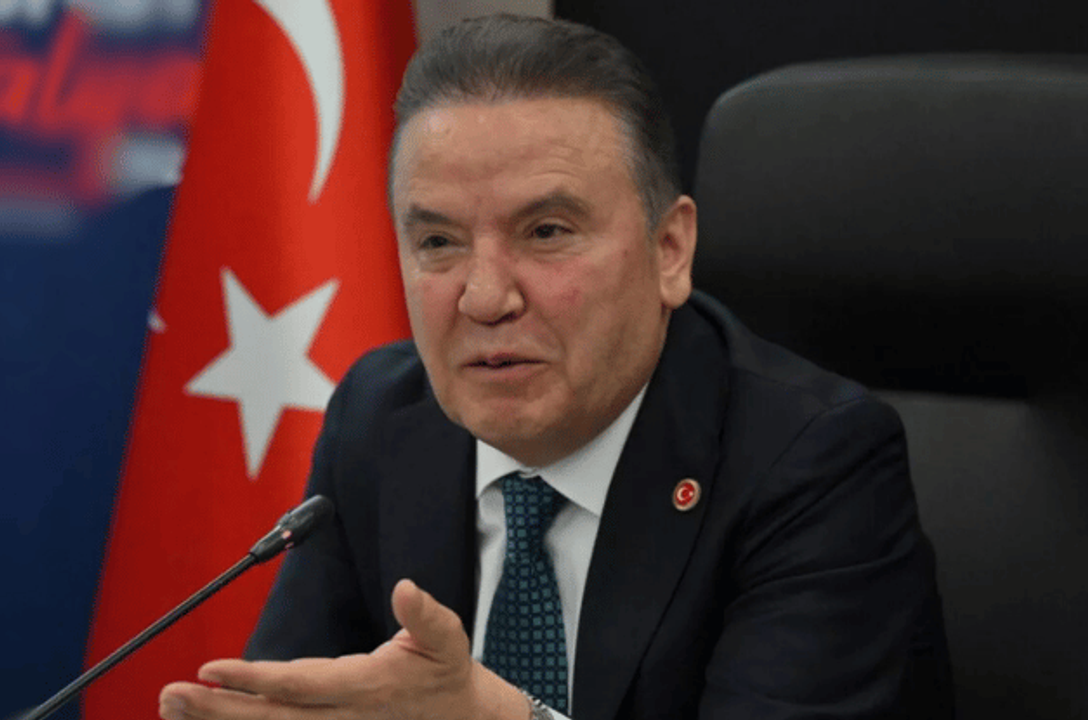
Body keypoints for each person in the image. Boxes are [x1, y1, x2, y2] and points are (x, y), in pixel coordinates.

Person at [159, 14, 953, 720]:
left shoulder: (815, 466)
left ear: (669, 250)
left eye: (546, 232)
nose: (484, 297)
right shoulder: (381, 418)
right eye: (438, 242)